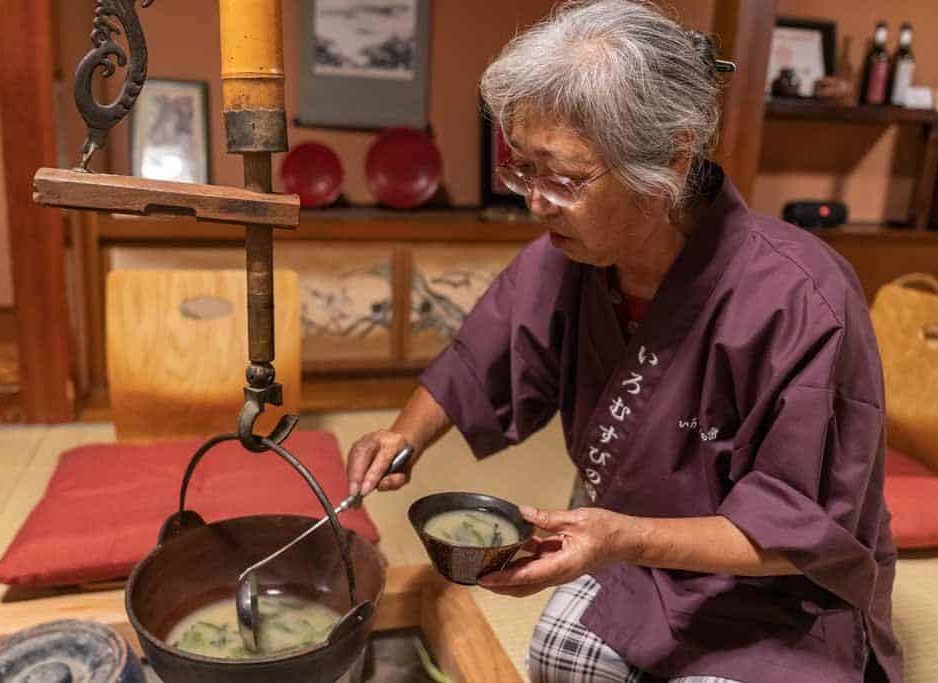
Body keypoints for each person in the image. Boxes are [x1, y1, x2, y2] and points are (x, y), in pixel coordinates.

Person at [345, 1, 902, 681]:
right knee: (559, 658)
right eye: (522, 168)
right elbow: (482, 353)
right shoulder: (569, 254)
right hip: (638, 556)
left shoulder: (803, 300)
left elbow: (804, 529)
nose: (534, 201)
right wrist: (403, 435)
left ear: (670, 158)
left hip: (778, 589)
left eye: (564, 177)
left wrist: (615, 536)